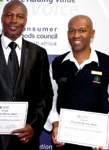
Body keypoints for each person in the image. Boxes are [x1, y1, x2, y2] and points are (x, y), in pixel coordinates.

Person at [0, 0, 53, 150]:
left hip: (26, 140)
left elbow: (45, 96)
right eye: (9, 15)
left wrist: (33, 126)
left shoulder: (38, 53)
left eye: (20, 16)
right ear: (1, 18)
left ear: (25, 21)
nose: (14, 20)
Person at [44, 15, 109, 150]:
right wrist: (55, 123)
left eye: (82, 30)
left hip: (97, 143)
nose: (76, 35)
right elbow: (50, 98)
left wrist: (106, 133)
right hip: (64, 141)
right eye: (72, 31)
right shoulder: (57, 64)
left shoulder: (106, 63)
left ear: (92, 33)